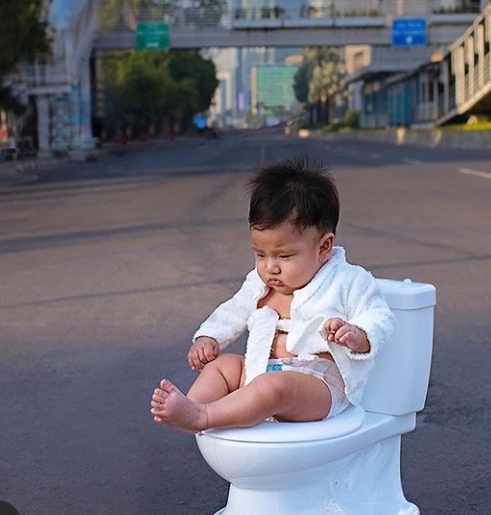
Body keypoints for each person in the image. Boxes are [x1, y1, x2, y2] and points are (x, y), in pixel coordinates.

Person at [150, 156, 394, 433]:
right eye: (260, 254)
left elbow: (380, 317)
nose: (270, 267)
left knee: (273, 386)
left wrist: (358, 335)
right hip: (260, 369)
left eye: (284, 255)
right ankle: (192, 408)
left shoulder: (348, 280)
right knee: (222, 366)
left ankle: (203, 416)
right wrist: (209, 337)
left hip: (318, 384)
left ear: (324, 247)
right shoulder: (260, 282)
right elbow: (235, 308)